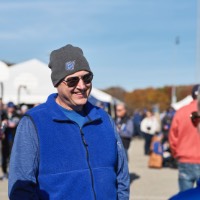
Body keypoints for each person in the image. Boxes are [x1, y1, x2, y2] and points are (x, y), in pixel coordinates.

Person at [8, 44, 130, 199]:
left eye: (87, 78)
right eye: (72, 81)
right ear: (57, 83)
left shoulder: (104, 119)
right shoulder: (34, 122)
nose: (82, 86)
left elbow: (122, 175)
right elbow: (21, 187)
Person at [169, 84, 200, 192]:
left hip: (185, 159)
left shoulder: (181, 112)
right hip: (187, 158)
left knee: (186, 195)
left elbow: (173, 137)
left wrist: (175, 154)